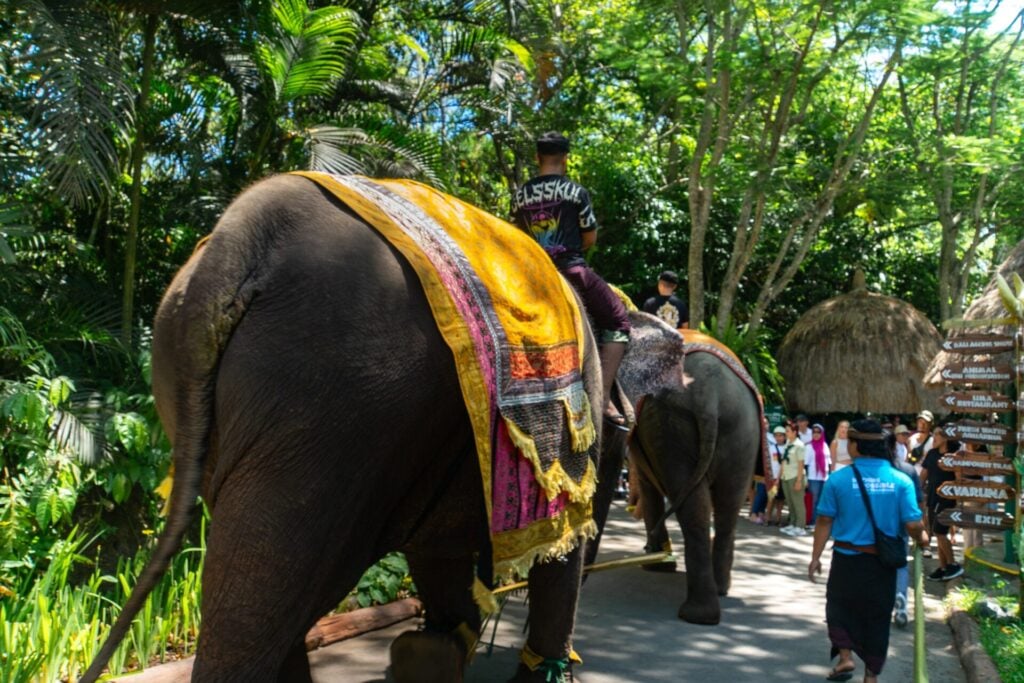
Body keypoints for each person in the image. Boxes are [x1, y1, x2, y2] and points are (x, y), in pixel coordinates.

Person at [511, 132, 631, 428]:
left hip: (532, 278)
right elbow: (589, 238)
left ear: (537, 158)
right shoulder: (575, 192)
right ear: (565, 159)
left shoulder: (520, 196)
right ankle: (602, 398)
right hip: (571, 271)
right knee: (618, 320)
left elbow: (516, 238)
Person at [808, 419, 927, 683]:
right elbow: (913, 524)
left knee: (839, 609)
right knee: (877, 618)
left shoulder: (837, 480)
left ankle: (845, 657)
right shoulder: (901, 481)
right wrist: (923, 537)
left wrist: (815, 558)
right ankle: (870, 676)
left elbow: (824, 521)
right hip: (881, 565)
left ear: (856, 446)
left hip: (846, 561)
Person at [887, 431, 925, 629]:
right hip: (902, 524)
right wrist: (922, 528)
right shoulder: (908, 470)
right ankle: (900, 596)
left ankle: (884, 601)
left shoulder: (872, 470)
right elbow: (919, 502)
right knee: (900, 563)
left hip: (877, 525)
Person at [920, 427, 964, 581]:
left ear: (946, 437)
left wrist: (958, 500)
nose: (934, 437)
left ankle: (953, 565)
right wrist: (916, 492)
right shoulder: (931, 454)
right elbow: (923, 475)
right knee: (936, 533)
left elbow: (959, 479)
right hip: (932, 498)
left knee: (940, 532)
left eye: (937, 434)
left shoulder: (954, 456)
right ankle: (943, 567)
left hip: (947, 499)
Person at [780, 421, 807, 536]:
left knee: (798, 503)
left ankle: (800, 527)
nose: (785, 433)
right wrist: (780, 476)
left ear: (794, 432)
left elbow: (801, 464)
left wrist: (799, 481)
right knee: (790, 503)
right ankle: (793, 523)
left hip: (795, 476)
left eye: (787, 431)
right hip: (786, 476)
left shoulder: (799, 445)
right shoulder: (788, 443)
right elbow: (784, 461)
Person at [806, 423, 831, 526]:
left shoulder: (825, 445)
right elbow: (805, 465)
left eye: (818, 432)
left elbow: (829, 462)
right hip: (813, 478)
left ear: (822, 434)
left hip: (824, 477)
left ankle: (818, 522)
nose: (816, 434)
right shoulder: (809, 446)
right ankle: (812, 521)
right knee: (814, 500)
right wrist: (805, 479)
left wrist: (829, 476)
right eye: (814, 432)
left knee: (821, 500)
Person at [767, 426, 787, 525]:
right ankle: (768, 517)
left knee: (781, 499)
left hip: (784, 477)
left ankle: (778, 518)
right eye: (776, 436)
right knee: (771, 497)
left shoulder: (787, 448)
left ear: (785, 436)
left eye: (781, 436)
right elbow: (769, 463)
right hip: (774, 477)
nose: (778, 438)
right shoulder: (771, 448)